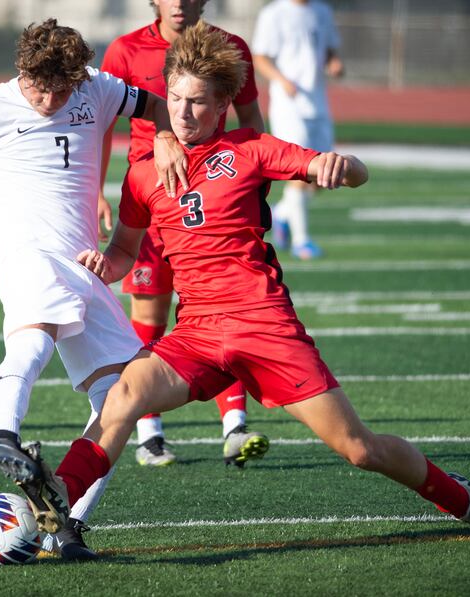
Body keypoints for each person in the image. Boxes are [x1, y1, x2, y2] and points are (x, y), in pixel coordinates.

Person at [8, 21, 470, 548]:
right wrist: (104, 266)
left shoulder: (251, 149)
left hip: (264, 326)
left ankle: (460, 497)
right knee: (123, 396)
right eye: (176, 99)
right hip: (198, 334)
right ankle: (58, 496)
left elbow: (352, 173)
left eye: (199, 102)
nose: (184, 113)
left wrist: (341, 166)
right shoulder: (144, 174)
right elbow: (123, 251)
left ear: (225, 103)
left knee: (359, 449)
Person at [0, 18, 189, 562]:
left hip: (84, 266)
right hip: (27, 255)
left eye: (62, 90)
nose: (51, 99)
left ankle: (65, 527)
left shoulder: (97, 87)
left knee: (121, 399)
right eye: (41, 88)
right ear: (22, 70)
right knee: (35, 336)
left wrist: (163, 134)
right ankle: (1, 434)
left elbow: (156, 103)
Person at [99, 0, 269, 467]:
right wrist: (97, 192)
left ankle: (235, 425)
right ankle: (149, 433)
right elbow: (102, 127)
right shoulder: (125, 50)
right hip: (152, 203)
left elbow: (252, 121)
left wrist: (257, 184)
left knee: (225, 311)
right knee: (150, 316)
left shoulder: (231, 48)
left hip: (215, 198)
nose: (178, 2)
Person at [251, 0, 344, 260]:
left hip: (318, 104)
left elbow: (329, 49)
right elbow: (260, 57)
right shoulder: (275, 13)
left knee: (324, 176)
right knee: (299, 173)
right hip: (289, 107)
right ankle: (302, 241)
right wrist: (282, 80)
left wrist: (334, 63)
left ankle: (281, 214)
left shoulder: (322, 11)